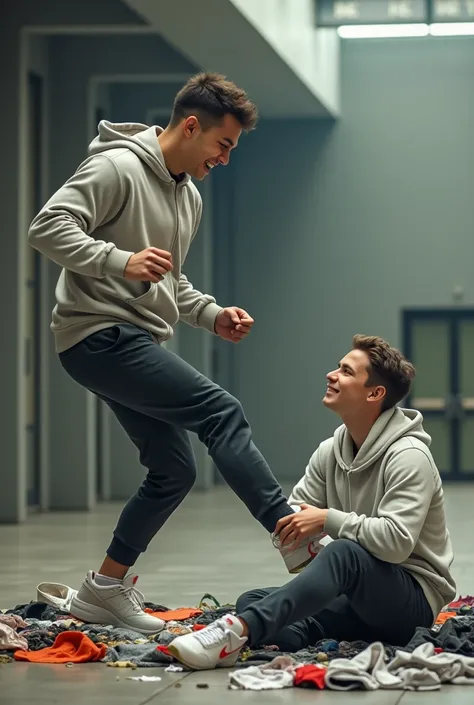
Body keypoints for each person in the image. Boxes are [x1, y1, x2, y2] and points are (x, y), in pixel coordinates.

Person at [27, 72, 308, 635]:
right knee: (220, 411)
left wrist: (212, 314)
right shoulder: (117, 167)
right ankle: (293, 537)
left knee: (173, 470)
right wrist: (116, 260)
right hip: (98, 334)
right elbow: (46, 226)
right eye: (223, 144)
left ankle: (103, 589)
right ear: (190, 125)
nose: (226, 158)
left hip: (132, 338)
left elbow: (169, 280)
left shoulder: (190, 196)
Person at [167, 335, 456, 670]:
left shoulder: (409, 456)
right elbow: (298, 517)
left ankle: (233, 632)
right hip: (353, 596)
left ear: (375, 393)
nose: (332, 375)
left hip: (410, 604)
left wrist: (327, 521)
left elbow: (395, 544)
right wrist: (295, 529)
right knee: (254, 600)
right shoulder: (330, 451)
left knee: (343, 553)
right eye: (337, 367)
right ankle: (305, 628)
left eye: (346, 372)